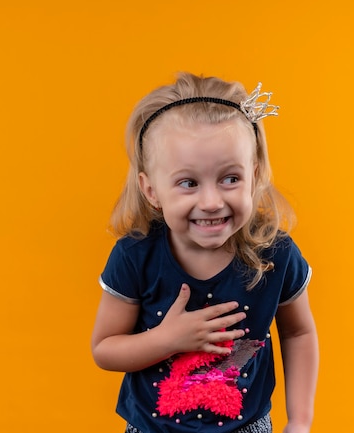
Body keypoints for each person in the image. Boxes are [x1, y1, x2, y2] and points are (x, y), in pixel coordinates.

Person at [91, 72, 318, 433]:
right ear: (151, 190)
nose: (211, 202)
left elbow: (298, 334)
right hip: (152, 428)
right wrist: (167, 340)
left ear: (254, 175)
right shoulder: (135, 256)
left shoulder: (277, 254)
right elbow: (104, 349)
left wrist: (300, 422)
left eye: (230, 178)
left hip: (248, 426)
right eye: (188, 183)